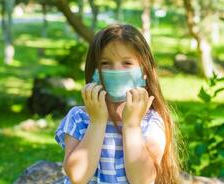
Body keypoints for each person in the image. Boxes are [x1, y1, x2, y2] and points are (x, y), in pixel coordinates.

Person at [55, 24, 180, 184]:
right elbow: (78, 176)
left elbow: (143, 180)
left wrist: (132, 125)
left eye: (127, 63)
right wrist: (97, 121)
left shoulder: (151, 122)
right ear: (93, 71)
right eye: (105, 63)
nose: (115, 70)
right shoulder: (79, 117)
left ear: (145, 72)